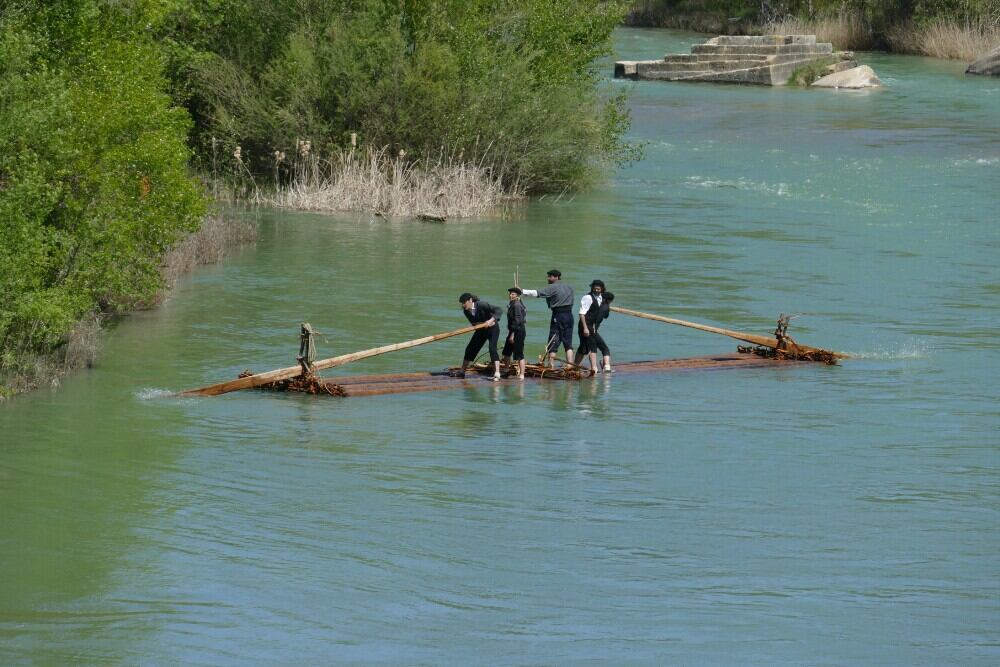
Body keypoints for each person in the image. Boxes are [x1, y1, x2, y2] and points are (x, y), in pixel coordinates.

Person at [522, 269, 575, 367]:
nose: (548, 278)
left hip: (558, 315)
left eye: (550, 276)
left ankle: (551, 366)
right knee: (568, 343)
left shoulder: (552, 287)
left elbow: (537, 293)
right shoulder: (569, 287)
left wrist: (522, 291)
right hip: (569, 315)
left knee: (553, 341)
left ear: (556, 277)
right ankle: (570, 366)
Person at [457, 292, 503, 380]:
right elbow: (474, 323)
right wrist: (481, 324)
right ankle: (462, 371)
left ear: (470, 300)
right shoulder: (466, 311)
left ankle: (497, 372)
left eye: (464, 303)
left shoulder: (482, 305)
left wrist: (489, 321)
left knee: (492, 348)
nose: (463, 305)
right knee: (470, 348)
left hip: (493, 329)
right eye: (461, 303)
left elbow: (498, 310)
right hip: (481, 330)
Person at [577, 280, 614, 374]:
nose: (597, 290)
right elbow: (582, 314)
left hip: (592, 327)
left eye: (599, 289)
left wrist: (607, 307)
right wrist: (585, 328)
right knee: (592, 348)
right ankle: (594, 369)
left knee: (583, 348)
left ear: (602, 289)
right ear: (592, 288)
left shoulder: (601, 299)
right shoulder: (587, 297)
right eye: (595, 288)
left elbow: (602, 311)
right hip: (586, 326)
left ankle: (575, 365)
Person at [501, 287, 527, 379]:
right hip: (513, 330)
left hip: (518, 331)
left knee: (519, 353)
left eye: (513, 294)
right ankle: (506, 370)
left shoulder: (516, 305)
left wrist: (512, 335)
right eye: (510, 294)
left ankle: (522, 374)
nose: (510, 295)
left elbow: (517, 320)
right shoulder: (513, 304)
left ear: (517, 296)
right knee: (506, 352)